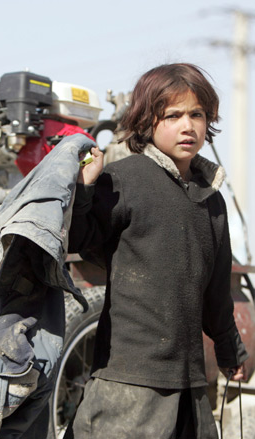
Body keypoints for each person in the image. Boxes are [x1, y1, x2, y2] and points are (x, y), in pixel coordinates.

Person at [66, 63, 248, 439]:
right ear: (148, 121)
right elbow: (74, 240)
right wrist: (83, 190)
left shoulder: (210, 199)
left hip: (189, 385)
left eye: (197, 114)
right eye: (173, 115)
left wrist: (231, 353)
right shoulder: (124, 179)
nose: (188, 126)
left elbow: (216, 292)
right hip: (128, 384)